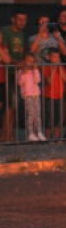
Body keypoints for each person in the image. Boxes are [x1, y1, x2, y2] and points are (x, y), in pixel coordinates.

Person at [2, 11, 27, 142]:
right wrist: (17, 63)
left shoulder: (21, 34)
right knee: (7, 105)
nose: (22, 22)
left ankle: (10, 133)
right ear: (13, 19)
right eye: (20, 19)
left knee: (13, 105)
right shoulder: (5, 32)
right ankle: (6, 135)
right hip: (7, 72)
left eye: (24, 20)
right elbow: (5, 54)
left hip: (16, 72)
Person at [42, 48, 66, 140]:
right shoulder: (46, 67)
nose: (56, 59)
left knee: (59, 117)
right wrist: (53, 69)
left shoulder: (61, 67)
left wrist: (59, 68)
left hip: (60, 95)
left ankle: (57, 136)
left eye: (58, 57)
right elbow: (49, 81)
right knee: (49, 117)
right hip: (49, 95)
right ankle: (48, 136)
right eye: (54, 57)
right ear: (49, 57)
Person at [18, 52, 44, 142]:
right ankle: (31, 133)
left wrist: (35, 70)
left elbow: (38, 80)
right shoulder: (21, 72)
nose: (30, 63)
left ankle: (39, 132)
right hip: (27, 95)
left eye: (31, 61)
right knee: (30, 114)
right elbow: (21, 83)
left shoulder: (35, 71)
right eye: (28, 61)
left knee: (37, 114)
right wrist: (25, 73)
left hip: (35, 94)